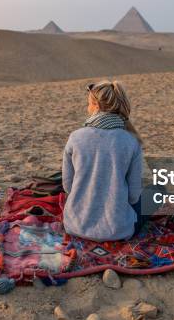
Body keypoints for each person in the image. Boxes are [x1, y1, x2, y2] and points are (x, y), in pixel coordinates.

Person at [62, 80, 144, 242]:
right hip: (118, 230)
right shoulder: (130, 141)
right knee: (158, 190)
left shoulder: (76, 137)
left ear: (95, 106)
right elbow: (134, 197)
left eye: (88, 104)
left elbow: (68, 187)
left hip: (75, 226)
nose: (87, 108)